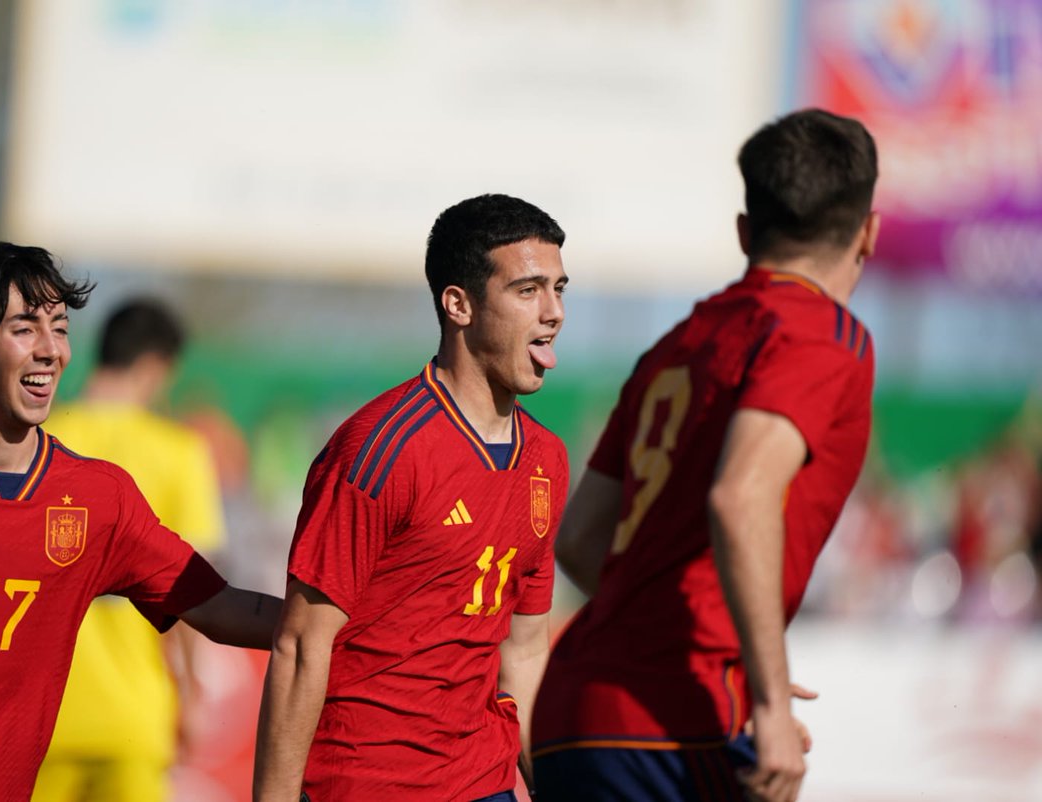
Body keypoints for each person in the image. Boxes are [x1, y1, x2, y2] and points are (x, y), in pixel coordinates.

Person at [0, 243, 281, 801]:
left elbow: (219, 607)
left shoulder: (99, 496)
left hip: (95, 745)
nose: (51, 350)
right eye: (25, 328)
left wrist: (348, 620)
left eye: (61, 328)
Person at [531, 108, 881, 802]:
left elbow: (578, 540)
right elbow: (741, 495)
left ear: (746, 234)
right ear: (868, 233)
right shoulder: (821, 334)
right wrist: (771, 701)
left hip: (575, 712)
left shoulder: (680, 342)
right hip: (679, 725)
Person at [253, 193, 571, 802]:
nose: (554, 311)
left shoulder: (547, 461)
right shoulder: (379, 450)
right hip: (365, 785)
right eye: (528, 290)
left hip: (484, 782)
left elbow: (524, 653)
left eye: (559, 288)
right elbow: (300, 644)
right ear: (459, 304)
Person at [31, 300, 227, 802]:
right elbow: (189, 592)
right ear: (155, 367)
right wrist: (191, 694)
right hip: (133, 718)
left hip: (37, 717)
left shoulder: (38, 443)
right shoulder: (178, 451)